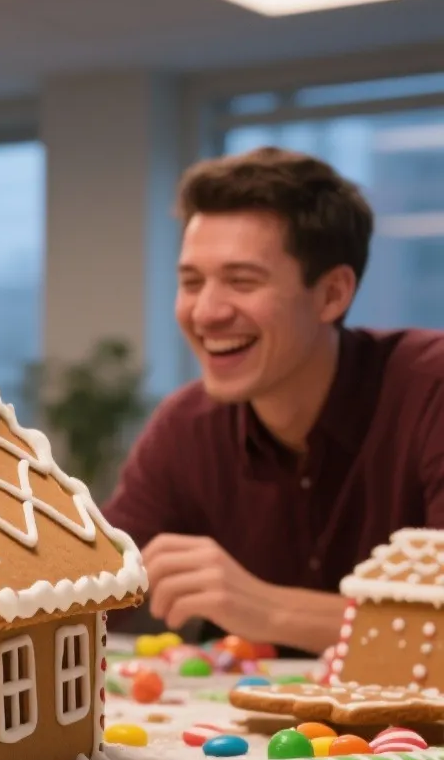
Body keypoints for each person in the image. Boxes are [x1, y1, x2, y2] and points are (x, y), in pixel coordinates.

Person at [104, 146, 444, 656]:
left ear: (332, 294)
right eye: (191, 281)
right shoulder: (186, 427)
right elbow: (93, 599)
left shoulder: (430, 389)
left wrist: (267, 610)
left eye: (242, 281)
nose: (207, 312)